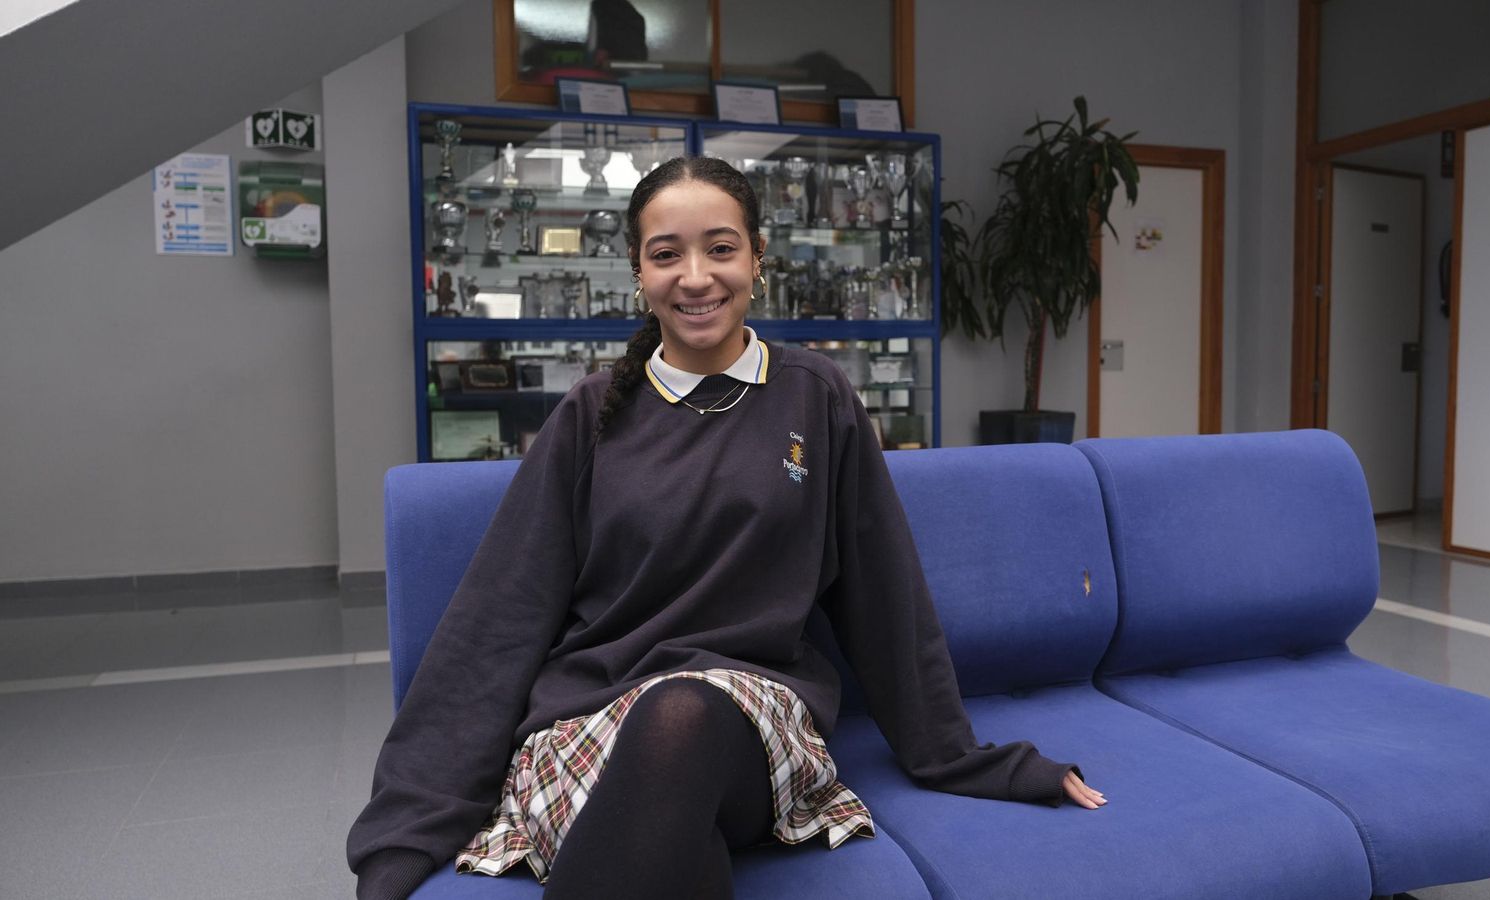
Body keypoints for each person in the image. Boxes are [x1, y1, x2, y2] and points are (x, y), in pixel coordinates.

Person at [347, 156, 1105, 900]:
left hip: (749, 712)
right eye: (666, 254)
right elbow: (500, 614)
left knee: (681, 714)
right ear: (639, 275)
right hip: (592, 718)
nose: (696, 277)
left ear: (756, 260)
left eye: (720, 248)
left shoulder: (816, 395)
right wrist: (403, 834)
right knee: (682, 851)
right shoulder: (589, 414)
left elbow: (884, 591)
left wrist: (962, 758)